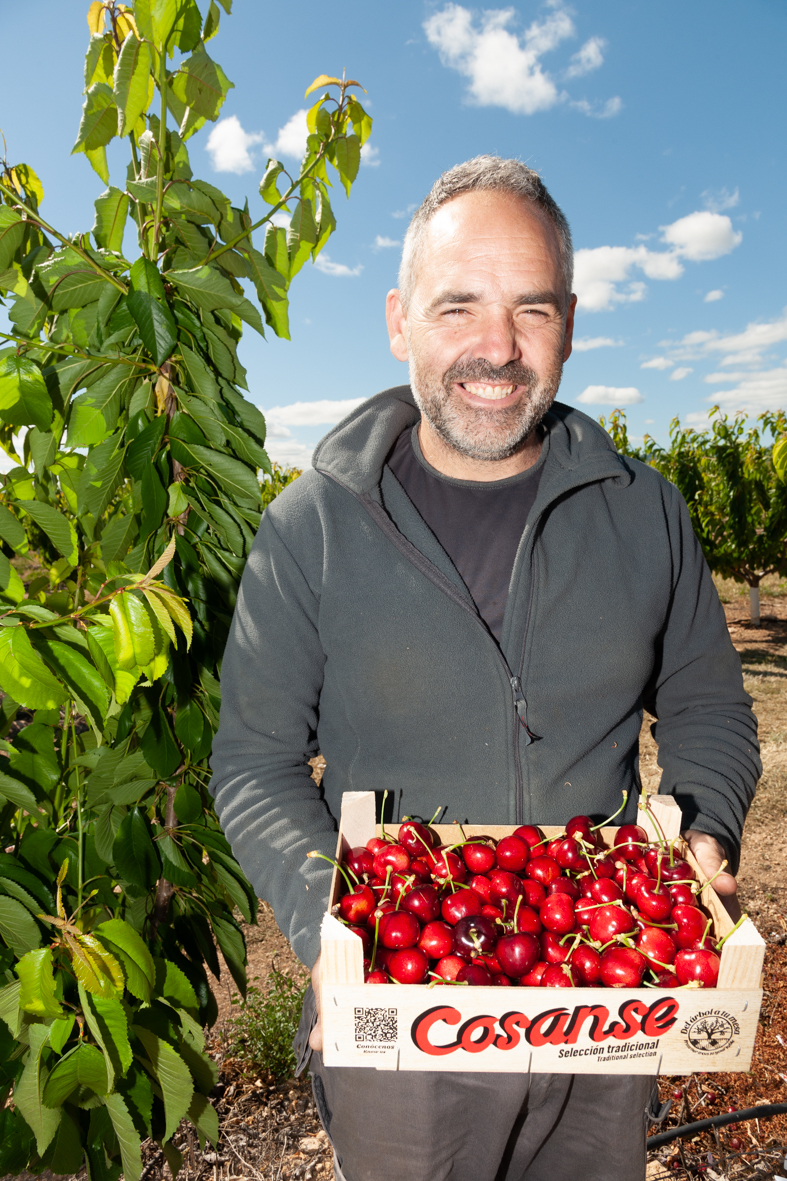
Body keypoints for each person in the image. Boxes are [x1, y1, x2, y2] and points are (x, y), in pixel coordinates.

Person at [209, 156, 759, 1181]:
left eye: (532, 309)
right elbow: (253, 757)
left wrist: (707, 831)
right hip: (403, 1009)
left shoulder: (645, 512)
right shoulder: (309, 527)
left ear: (571, 321)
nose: (497, 349)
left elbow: (706, 702)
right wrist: (326, 914)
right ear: (398, 320)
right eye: (458, 305)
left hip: (601, 994)